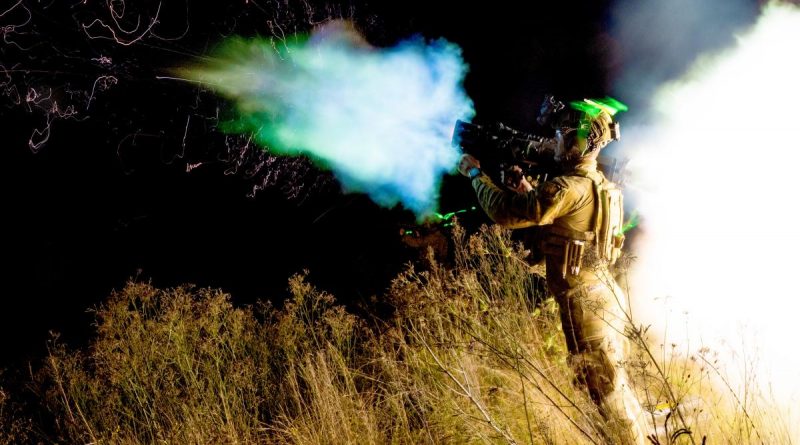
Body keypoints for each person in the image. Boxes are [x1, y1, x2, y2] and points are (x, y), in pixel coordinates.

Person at [458, 108, 646, 444]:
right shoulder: (599, 184)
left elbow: (504, 212)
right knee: (617, 387)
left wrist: (474, 174)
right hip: (604, 297)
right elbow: (565, 226)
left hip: (584, 305)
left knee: (603, 394)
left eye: (562, 134)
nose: (555, 141)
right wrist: (526, 189)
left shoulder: (567, 187)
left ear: (579, 142)